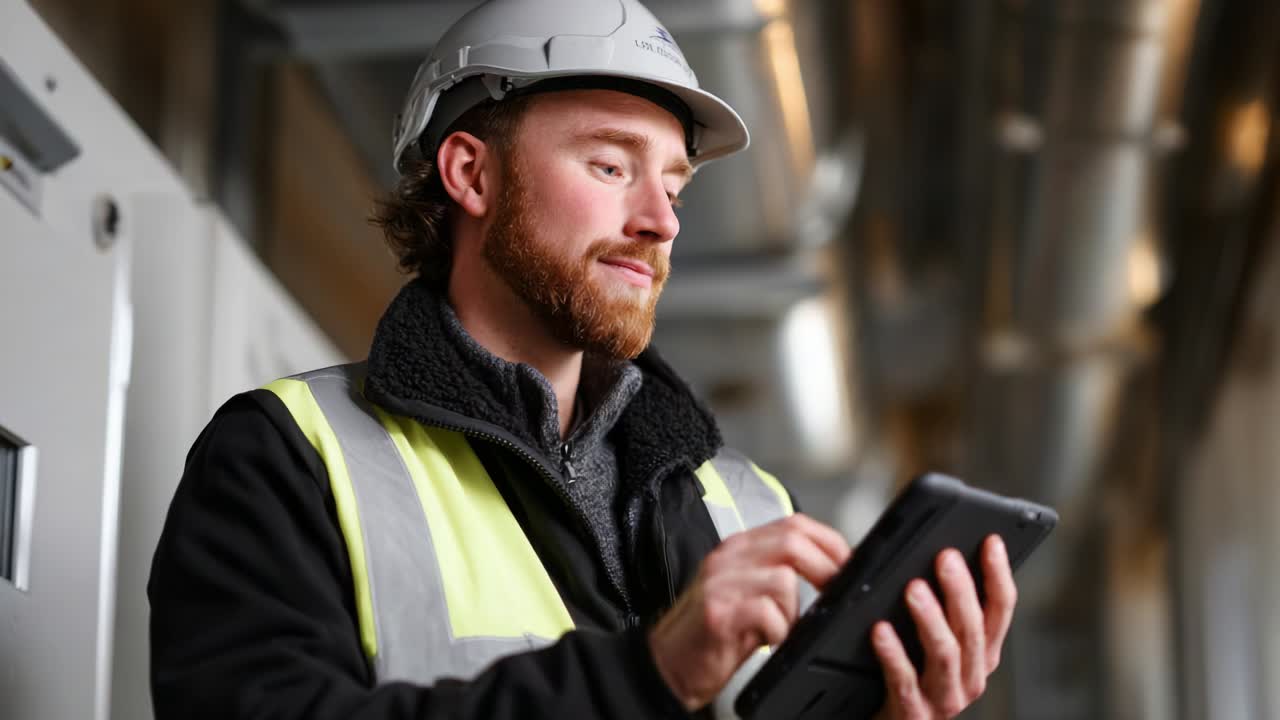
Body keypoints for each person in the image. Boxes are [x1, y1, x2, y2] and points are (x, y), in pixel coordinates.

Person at [147, 0, 1018, 718]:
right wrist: (646, 680)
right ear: (471, 175)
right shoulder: (286, 459)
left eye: (674, 186)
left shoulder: (750, 505)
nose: (663, 221)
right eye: (610, 166)